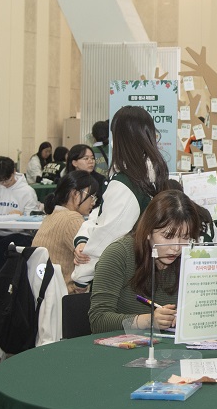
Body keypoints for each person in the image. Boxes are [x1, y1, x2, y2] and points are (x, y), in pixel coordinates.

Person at [72, 106, 169, 288]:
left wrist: (81, 275)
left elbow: (108, 235)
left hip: (122, 280)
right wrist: (83, 240)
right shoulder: (151, 173)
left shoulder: (127, 183)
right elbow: (101, 217)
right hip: (141, 272)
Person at [88, 190, 200, 333]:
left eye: (185, 237)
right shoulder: (118, 255)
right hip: (123, 348)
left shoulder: (190, 256)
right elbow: (98, 320)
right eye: (167, 236)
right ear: (148, 231)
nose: (176, 248)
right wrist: (148, 320)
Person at [0, 156, 39, 311]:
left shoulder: (27, 191)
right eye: (0, 181)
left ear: (14, 172)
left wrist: (21, 215)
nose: (4, 184)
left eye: (7, 180)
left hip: (20, 233)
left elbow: (33, 217)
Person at [32, 171, 99, 294]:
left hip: (45, 293)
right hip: (64, 295)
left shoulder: (52, 215)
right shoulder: (72, 219)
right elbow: (89, 259)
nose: (93, 203)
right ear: (75, 193)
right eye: (92, 196)